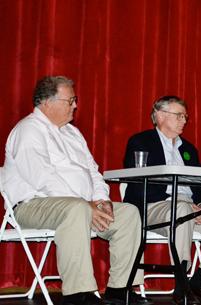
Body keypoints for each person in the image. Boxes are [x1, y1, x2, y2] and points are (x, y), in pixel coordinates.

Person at [2, 76, 150, 305]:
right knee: (76, 209)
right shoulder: (28, 130)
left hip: (81, 207)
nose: (75, 105)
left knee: (129, 213)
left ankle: (120, 288)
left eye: (75, 99)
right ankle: (78, 293)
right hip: (32, 206)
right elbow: (44, 178)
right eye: (70, 100)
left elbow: (93, 171)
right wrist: (86, 204)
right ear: (47, 103)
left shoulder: (73, 134)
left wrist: (101, 200)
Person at [123, 96, 201, 305]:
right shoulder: (141, 141)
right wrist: (187, 207)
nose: (184, 120)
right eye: (178, 115)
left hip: (189, 209)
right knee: (181, 210)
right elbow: (137, 184)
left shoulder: (189, 149)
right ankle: (182, 283)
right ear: (160, 115)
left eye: (185, 116)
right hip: (155, 206)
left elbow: (200, 186)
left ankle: (199, 280)